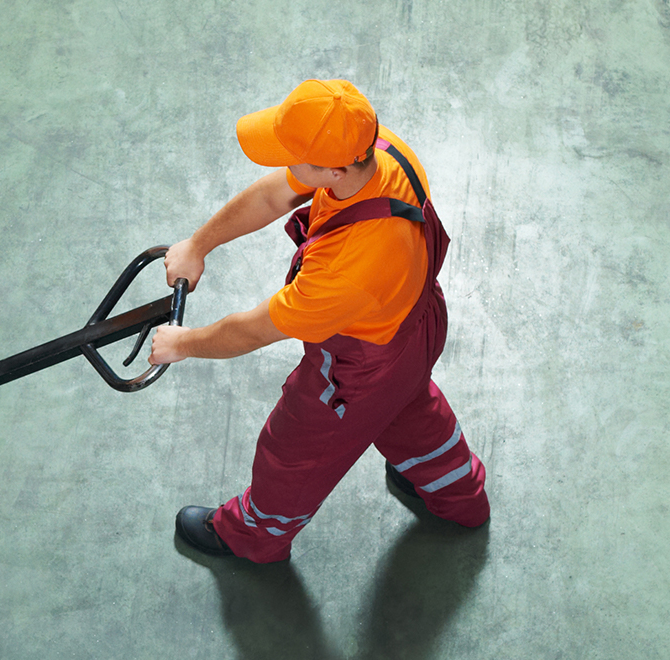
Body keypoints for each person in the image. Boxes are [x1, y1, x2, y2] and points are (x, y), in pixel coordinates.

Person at [147, 79, 489, 562]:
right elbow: (273, 196)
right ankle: (461, 496)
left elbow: (252, 330)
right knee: (410, 408)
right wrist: (198, 245)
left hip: (358, 376)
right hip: (415, 324)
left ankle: (254, 537)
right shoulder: (378, 148)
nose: (285, 163)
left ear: (331, 169)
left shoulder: (346, 272)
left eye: (293, 154)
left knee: (292, 453)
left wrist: (183, 344)